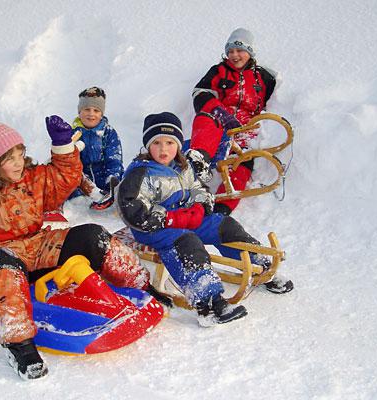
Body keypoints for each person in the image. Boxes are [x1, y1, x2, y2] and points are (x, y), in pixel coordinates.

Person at [0, 115, 155, 380]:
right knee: (5, 268)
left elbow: (64, 178)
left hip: (38, 244)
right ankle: (19, 345)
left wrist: (62, 146)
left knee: (92, 235)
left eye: (20, 154)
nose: (18, 163)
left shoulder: (32, 178)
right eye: (9, 158)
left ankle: (139, 284)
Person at [117, 112, 292, 327]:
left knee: (223, 225)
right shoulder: (141, 173)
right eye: (157, 143)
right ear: (147, 146)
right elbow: (132, 208)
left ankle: (259, 266)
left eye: (170, 143)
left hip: (186, 218)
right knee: (186, 243)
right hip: (154, 228)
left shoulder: (182, 167)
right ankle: (207, 301)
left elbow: (198, 189)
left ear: (179, 145)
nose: (164, 149)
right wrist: (171, 219)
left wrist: (200, 206)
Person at [186, 28, 277, 215]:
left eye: (239, 50)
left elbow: (277, 101)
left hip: (247, 131)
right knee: (204, 119)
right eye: (230, 51)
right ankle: (199, 161)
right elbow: (200, 93)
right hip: (220, 124)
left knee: (243, 164)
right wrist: (219, 112)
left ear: (250, 52)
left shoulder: (263, 77)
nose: (234, 55)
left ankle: (221, 210)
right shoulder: (218, 71)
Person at [69, 86, 124, 210]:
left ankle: (112, 197)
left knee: (122, 181)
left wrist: (111, 181)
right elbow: (69, 164)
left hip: (104, 181)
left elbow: (114, 160)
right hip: (81, 185)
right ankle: (78, 201)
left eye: (96, 110)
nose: (91, 114)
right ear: (79, 112)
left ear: (102, 113)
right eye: (86, 109)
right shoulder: (72, 134)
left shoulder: (108, 133)